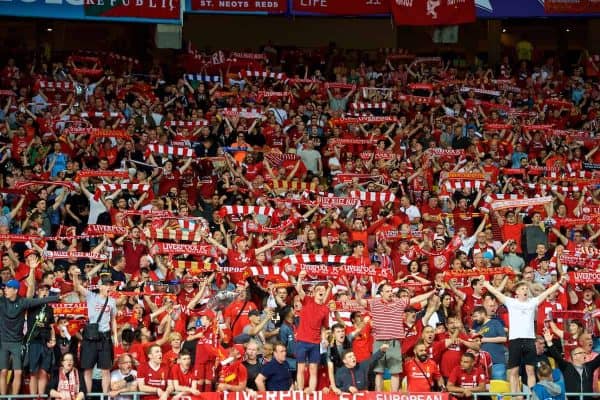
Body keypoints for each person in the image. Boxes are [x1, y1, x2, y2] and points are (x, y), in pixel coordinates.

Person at [482, 275, 567, 394]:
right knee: (513, 371)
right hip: (515, 340)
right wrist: (486, 285)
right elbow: (497, 294)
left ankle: (532, 395)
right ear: (516, 292)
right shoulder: (511, 302)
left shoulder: (533, 302)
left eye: (526, 288)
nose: (525, 290)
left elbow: (547, 292)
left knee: (530, 370)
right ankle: (515, 396)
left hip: (529, 340)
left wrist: (558, 284)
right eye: (522, 288)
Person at [358, 282, 435, 391]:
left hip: (394, 342)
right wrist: (358, 294)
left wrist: (432, 292)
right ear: (382, 293)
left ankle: (394, 396)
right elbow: (360, 302)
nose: (390, 293)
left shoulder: (399, 302)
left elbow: (416, 299)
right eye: (387, 291)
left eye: (391, 291)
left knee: (395, 371)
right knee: (378, 371)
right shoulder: (374, 303)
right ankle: (379, 395)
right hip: (379, 341)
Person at [0, 273, 59, 395]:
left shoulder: (23, 302)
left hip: (17, 342)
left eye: (7, 287)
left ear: (15, 290)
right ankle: (3, 397)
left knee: (18, 372)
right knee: (3, 371)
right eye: (4, 287)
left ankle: (14, 398)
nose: (5, 289)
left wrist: (57, 297)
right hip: (3, 342)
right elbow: (34, 293)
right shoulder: (1, 302)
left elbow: (40, 300)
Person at [73, 273, 118, 394]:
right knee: (87, 369)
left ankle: (105, 396)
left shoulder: (112, 301)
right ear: (100, 286)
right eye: (106, 285)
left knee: (105, 370)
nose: (109, 287)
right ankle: (87, 396)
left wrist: (116, 336)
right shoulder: (91, 296)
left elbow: (113, 319)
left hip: (105, 338)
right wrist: (74, 275)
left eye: (110, 285)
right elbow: (77, 287)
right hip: (91, 338)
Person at [294, 270, 332, 393]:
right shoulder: (307, 300)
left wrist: (324, 339)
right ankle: (300, 391)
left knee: (313, 368)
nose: (321, 291)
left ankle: (312, 391)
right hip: (302, 340)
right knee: (300, 367)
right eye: (319, 289)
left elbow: (323, 327)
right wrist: (300, 278)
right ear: (314, 292)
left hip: (315, 342)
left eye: (323, 289)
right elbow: (299, 289)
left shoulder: (325, 310)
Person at [543, 329, 600, 397]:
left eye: (584, 353)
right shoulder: (567, 367)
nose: (584, 355)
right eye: (581, 353)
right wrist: (549, 342)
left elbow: (598, 359)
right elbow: (557, 357)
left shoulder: (589, 367)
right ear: (574, 356)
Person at [472, 306, 507, 380]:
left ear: (483, 314)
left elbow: (504, 338)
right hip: (482, 364)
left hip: (497, 361)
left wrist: (485, 340)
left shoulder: (495, 322)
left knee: (499, 388)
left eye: (476, 316)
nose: (474, 319)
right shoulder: (478, 328)